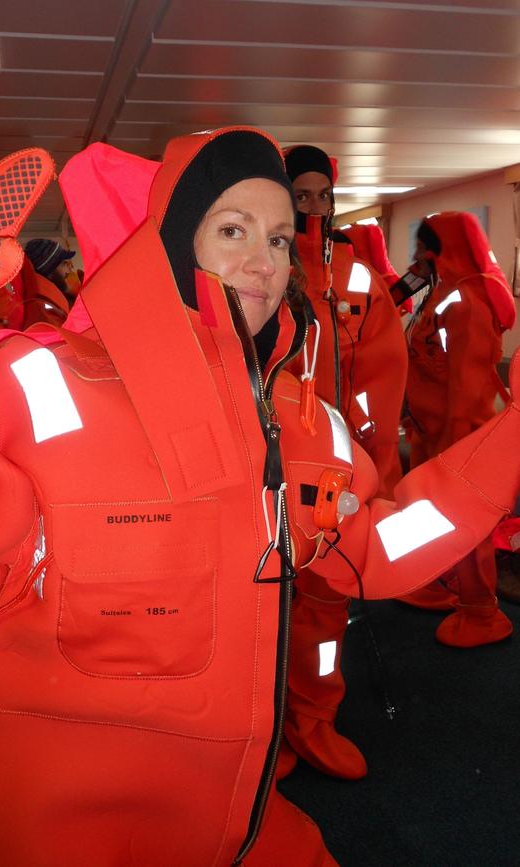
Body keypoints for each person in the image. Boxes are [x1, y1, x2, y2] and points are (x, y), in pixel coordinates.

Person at [0, 96, 519, 867]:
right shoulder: (32, 389)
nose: (268, 262)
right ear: (173, 245)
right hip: (65, 826)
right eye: (233, 230)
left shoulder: (299, 420)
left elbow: (379, 545)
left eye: (279, 237)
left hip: (236, 816)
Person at [279, 145, 409, 783]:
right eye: (299, 194)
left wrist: (369, 449)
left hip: (338, 475)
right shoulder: (264, 263)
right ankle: (259, 724)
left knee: (326, 606)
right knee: (264, 603)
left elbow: (385, 366)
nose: (312, 207)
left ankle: (313, 719)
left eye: (321, 195)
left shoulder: (356, 272)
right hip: (272, 469)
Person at [400, 212, 516, 646]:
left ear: (439, 251)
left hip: (464, 438)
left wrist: (455, 450)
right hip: (435, 431)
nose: (414, 256)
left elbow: (469, 385)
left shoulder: (467, 301)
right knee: (440, 519)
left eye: (421, 246)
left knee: (469, 525)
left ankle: (481, 611)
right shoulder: (443, 295)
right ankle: (443, 583)